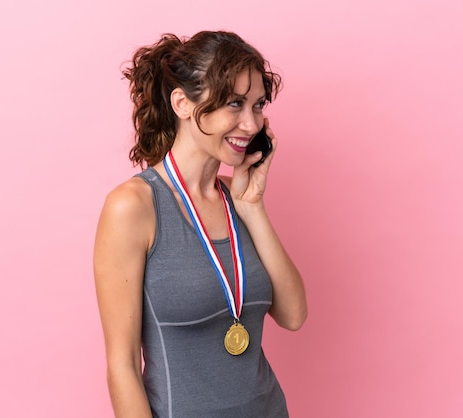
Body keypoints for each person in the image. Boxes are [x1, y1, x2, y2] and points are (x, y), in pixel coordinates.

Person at [94, 30, 307, 418]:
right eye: (234, 104)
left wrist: (253, 207)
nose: (250, 123)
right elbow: (121, 365)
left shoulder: (237, 198)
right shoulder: (133, 207)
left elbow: (293, 315)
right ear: (182, 103)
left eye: (258, 105)